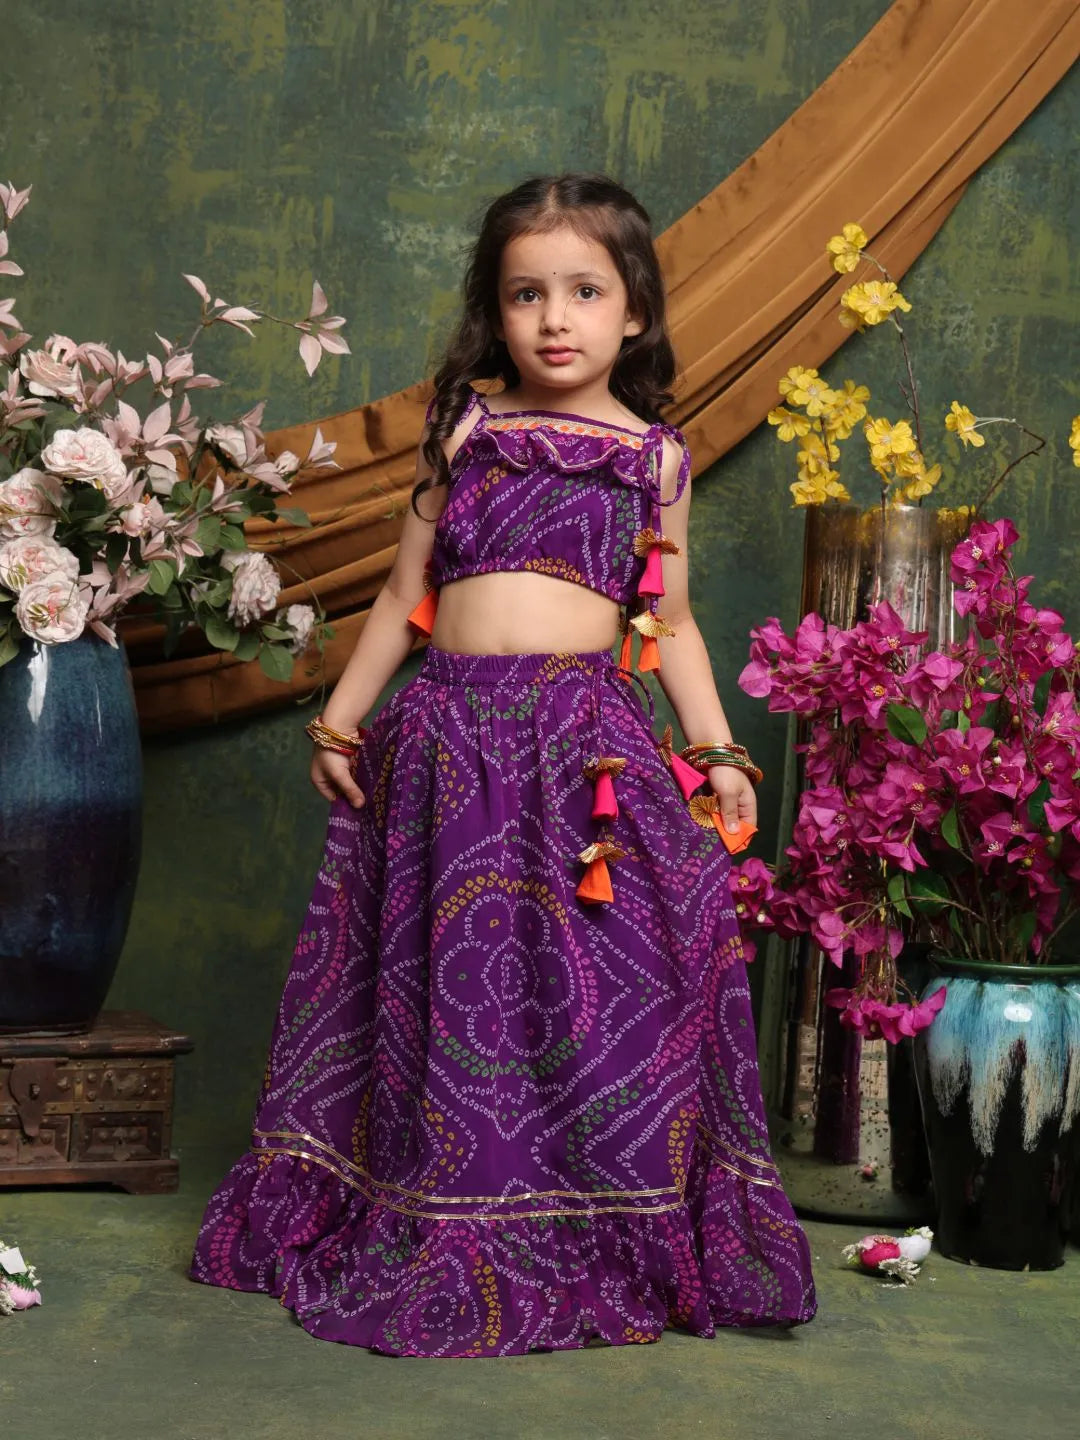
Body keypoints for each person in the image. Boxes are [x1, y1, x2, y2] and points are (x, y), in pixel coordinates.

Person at [190, 172, 816, 1356]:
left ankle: (590, 1210)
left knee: (577, 982)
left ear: (633, 312)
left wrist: (717, 747)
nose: (555, 318)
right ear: (495, 308)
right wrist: (341, 721)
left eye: (585, 291)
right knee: (450, 980)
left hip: (583, 751)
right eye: (526, 294)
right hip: (443, 745)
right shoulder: (466, 428)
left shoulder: (654, 460)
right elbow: (397, 595)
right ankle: (437, 1193)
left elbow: (669, 622)